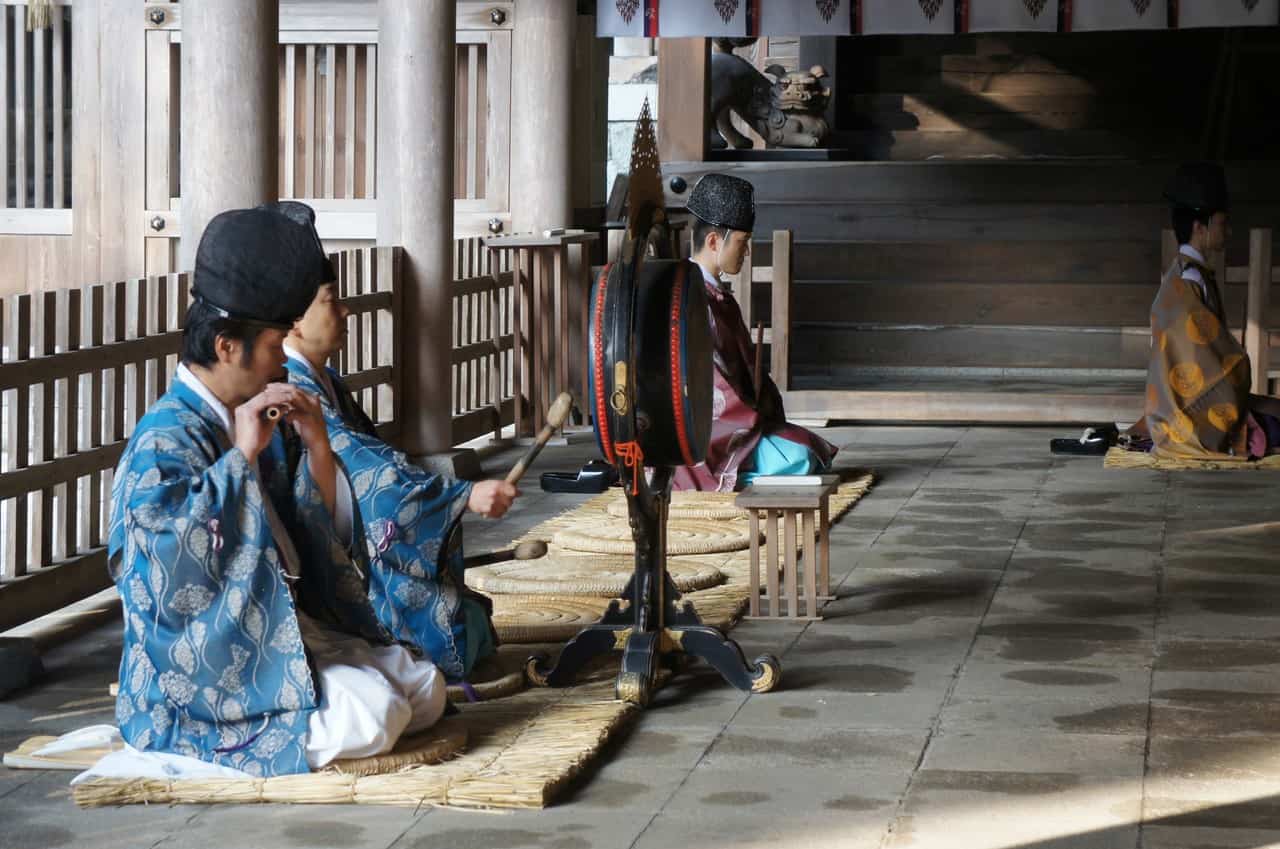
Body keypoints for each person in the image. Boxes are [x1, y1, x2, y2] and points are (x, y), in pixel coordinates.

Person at [107, 203, 447, 778]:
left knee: (426, 686)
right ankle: (197, 737)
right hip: (205, 673)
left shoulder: (250, 412)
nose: (282, 365)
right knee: (375, 715)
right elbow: (164, 570)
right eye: (272, 347)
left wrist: (315, 444)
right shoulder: (164, 440)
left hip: (283, 626)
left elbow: (310, 529)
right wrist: (239, 460)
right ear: (225, 346)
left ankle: (324, 694)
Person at [281, 281, 517, 681]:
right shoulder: (294, 387)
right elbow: (372, 474)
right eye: (331, 302)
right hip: (324, 571)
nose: (345, 312)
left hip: (347, 547)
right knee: (454, 639)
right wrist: (462, 496)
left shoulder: (326, 381)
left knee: (471, 623)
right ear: (296, 321)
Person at [673, 173, 836, 491]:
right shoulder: (692, 300)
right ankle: (718, 478)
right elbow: (713, 389)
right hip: (706, 439)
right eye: (742, 243)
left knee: (811, 450)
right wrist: (755, 412)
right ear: (713, 242)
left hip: (738, 424)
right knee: (802, 457)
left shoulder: (711, 292)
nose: (746, 253)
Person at [1137, 162, 1280, 459]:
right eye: (1222, 223)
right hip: (1191, 412)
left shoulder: (1184, 273)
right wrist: (1238, 369)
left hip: (1178, 401)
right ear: (1199, 228)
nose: (1227, 231)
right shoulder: (1190, 280)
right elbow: (1212, 361)